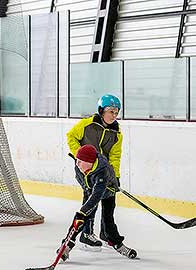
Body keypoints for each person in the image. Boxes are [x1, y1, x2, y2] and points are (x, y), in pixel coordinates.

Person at [58, 144, 137, 260]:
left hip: (107, 191)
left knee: (108, 220)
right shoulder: (79, 166)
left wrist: (84, 209)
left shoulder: (102, 171)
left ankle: (118, 245)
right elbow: (82, 180)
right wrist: (85, 202)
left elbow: (97, 195)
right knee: (80, 219)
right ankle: (66, 246)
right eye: (77, 160)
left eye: (81, 161)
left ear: (90, 162)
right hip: (90, 189)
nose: (77, 164)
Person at [66, 94, 122, 250]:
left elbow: (115, 156)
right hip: (86, 170)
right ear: (101, 110)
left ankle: (106, 234)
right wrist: (81, 156)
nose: (114, 115)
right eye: (111, 111)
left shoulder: (116, 133)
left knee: (110, 200)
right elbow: (71, 136)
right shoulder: (87, 124)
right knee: (92, 199)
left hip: (103, 171)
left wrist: (115, 176)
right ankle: (86, 234)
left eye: (116, 112)